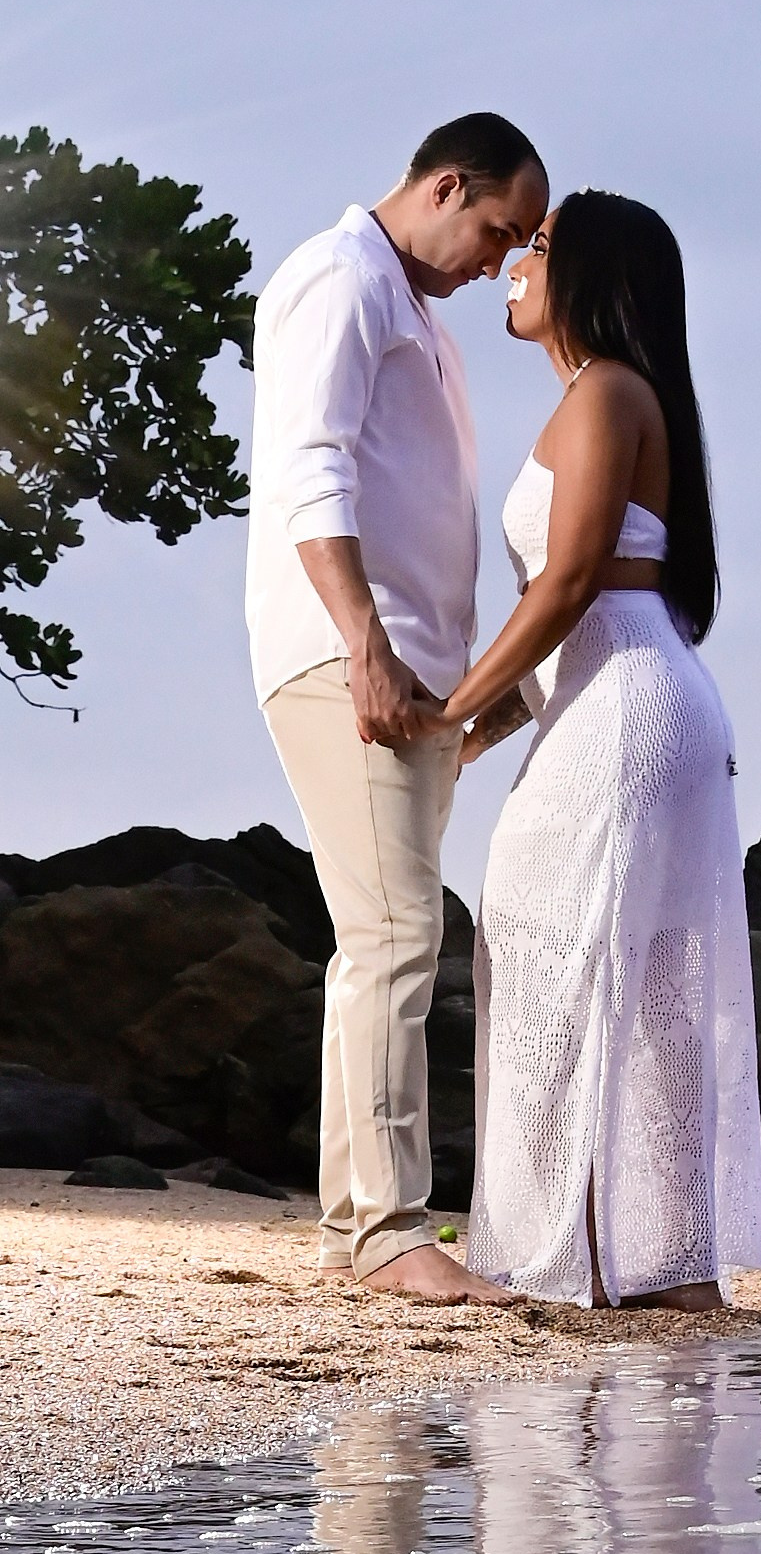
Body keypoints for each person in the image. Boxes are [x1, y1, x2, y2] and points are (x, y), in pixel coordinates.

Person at [414, 190, 761, 1308]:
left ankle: (603, 1258)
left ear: (596, 279)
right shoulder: (594, 399)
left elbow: (570, 588)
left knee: (571, 946)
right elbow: (572, 611)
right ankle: (646, 1263)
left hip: (628, 708)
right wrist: (488, 723)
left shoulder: (609, 391)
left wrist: (442, 710)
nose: (518, 260)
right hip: (616, 697)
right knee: (611, 964)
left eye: (544, 246)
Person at [245, 112, 549, 1301]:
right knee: (395, 935)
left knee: (373, 936)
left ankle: (349, 1224)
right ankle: (387, 1233)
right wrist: (364, 643)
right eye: (496, 229)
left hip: (414, 669)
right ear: (446, 184)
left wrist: (455, 698)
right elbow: (308, 465)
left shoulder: (416, 311)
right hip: (350, 656)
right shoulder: (341, 278)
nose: (499, 260)